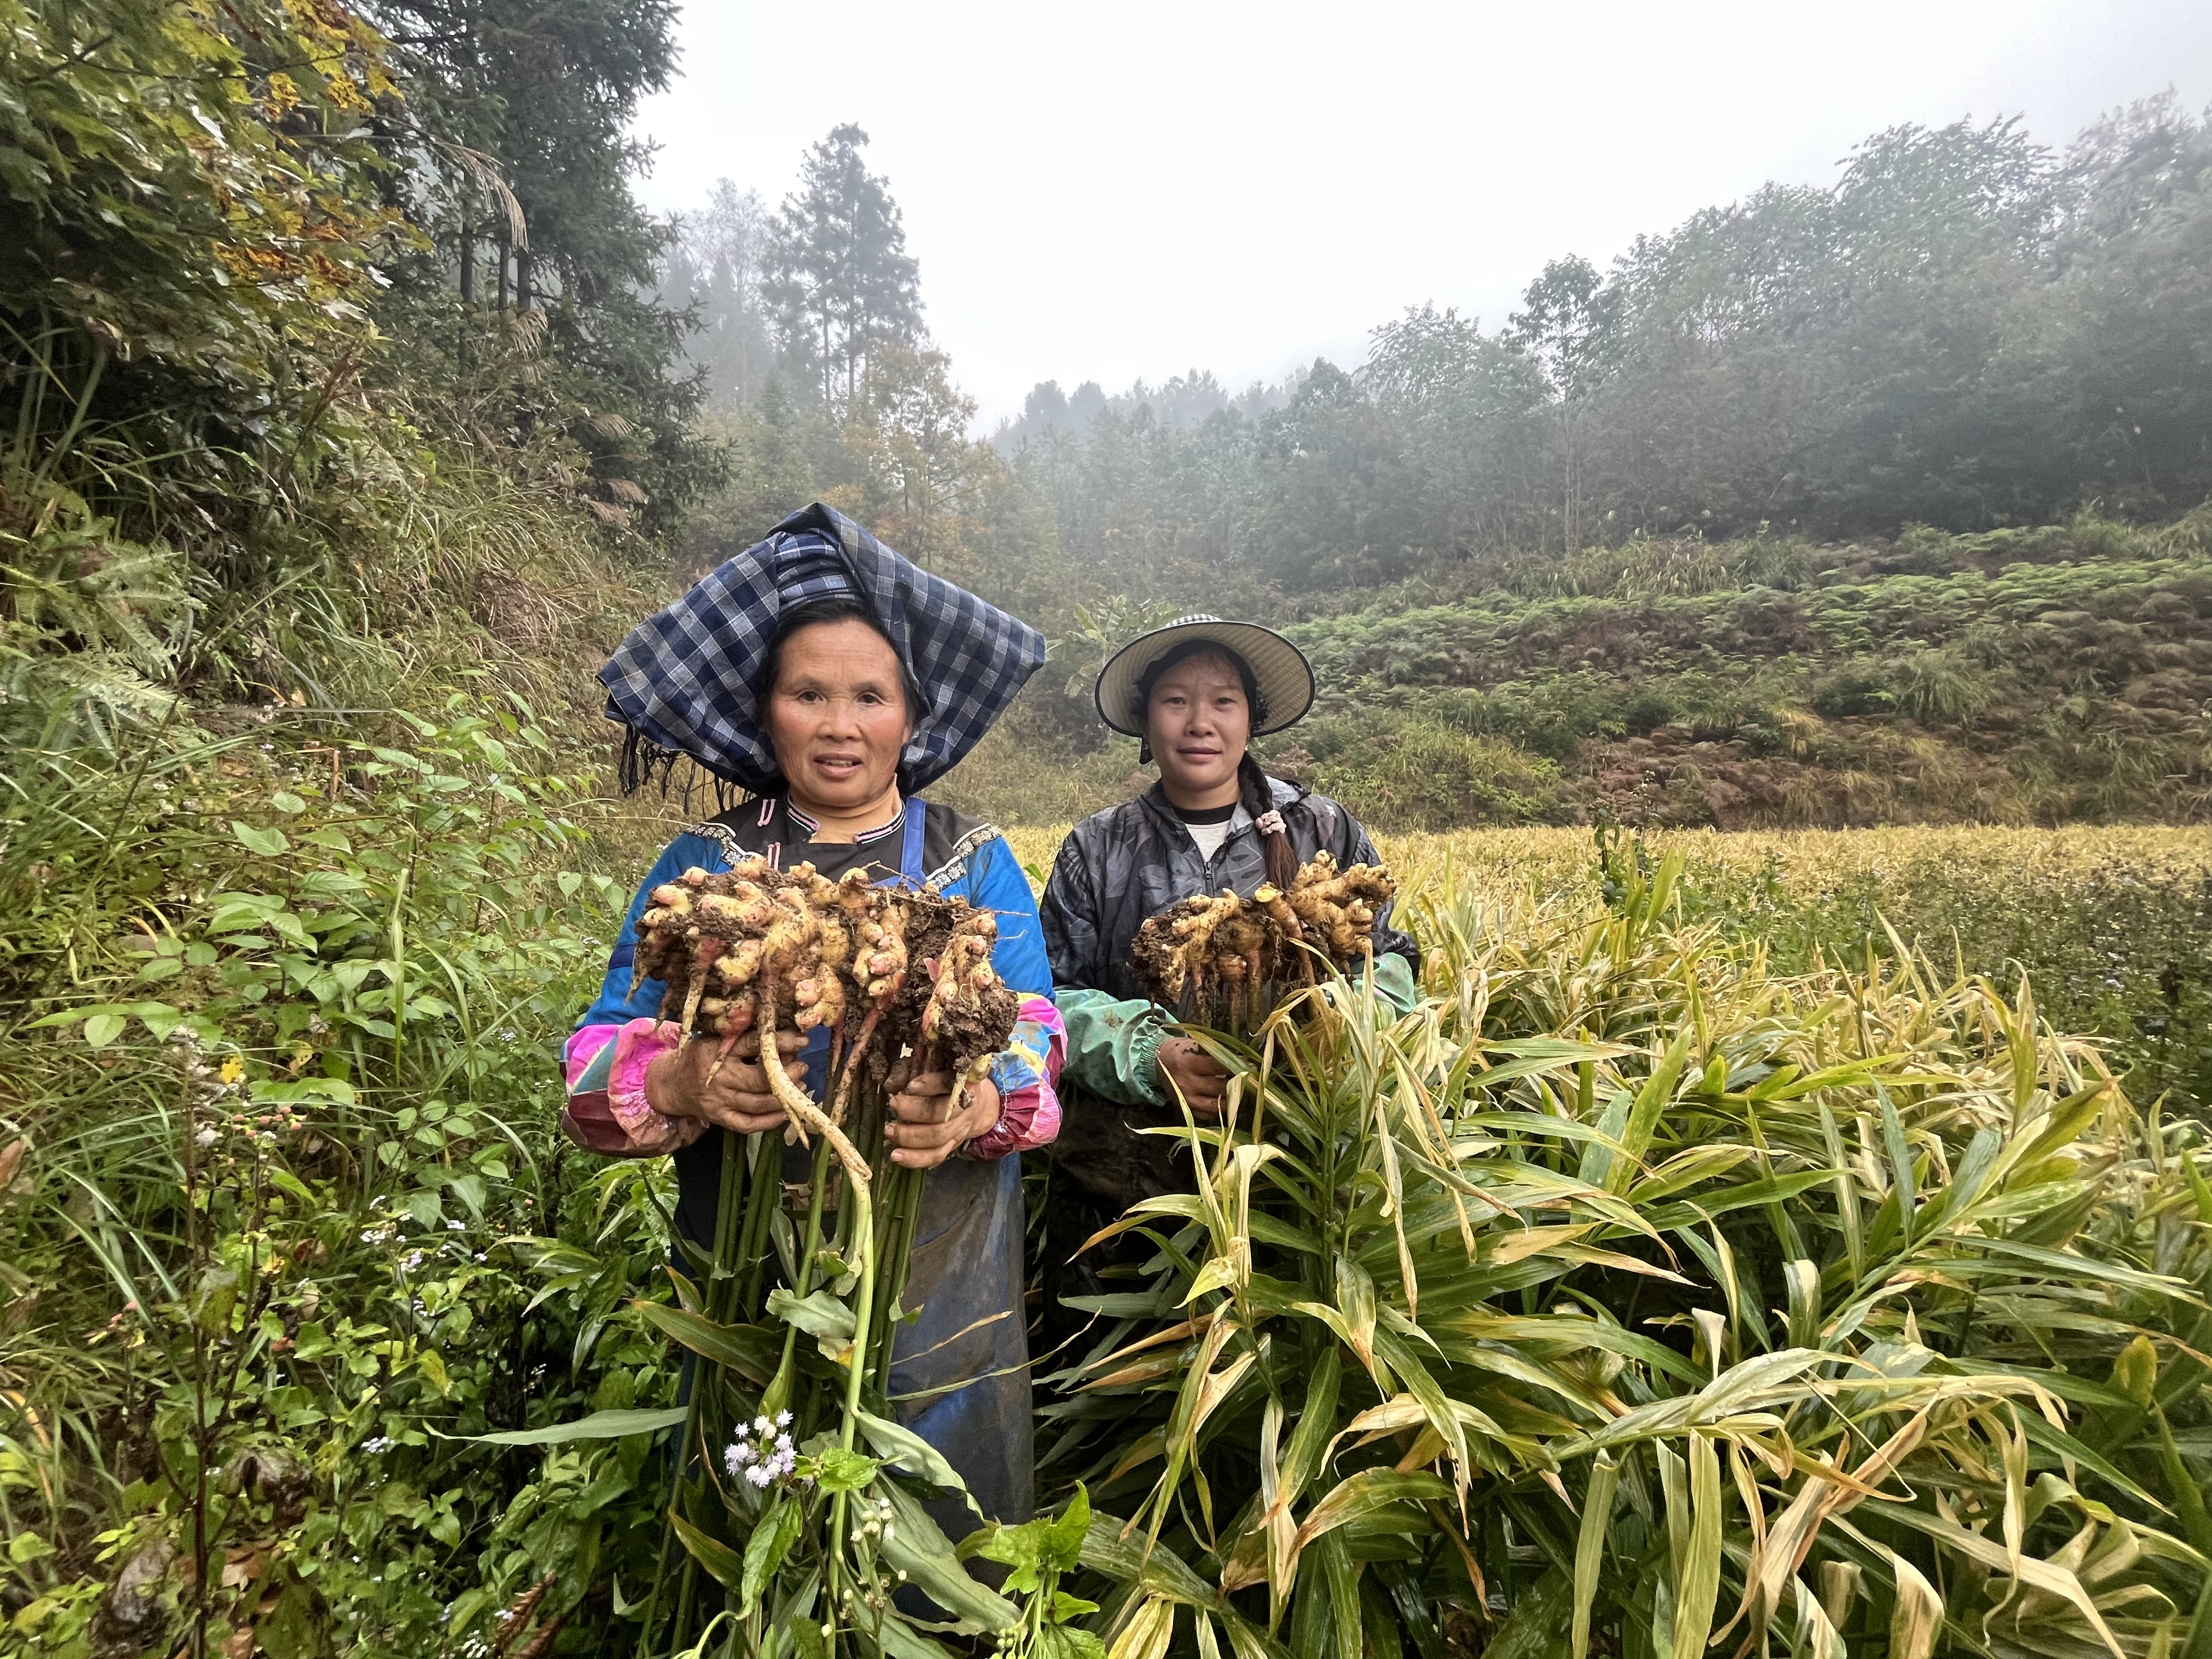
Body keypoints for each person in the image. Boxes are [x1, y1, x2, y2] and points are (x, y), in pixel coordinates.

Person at [562, 503, 1064, 1527]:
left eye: (870, 696)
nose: (840, 725)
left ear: (911, 720)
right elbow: (597, 1052)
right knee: (759, 1507)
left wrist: (978, 1104)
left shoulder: (972, 861)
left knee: (940, 1519)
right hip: (747, 1268)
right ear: (769, 713)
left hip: (940, 1273)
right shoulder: (705, 866)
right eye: (808, 695)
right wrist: (677, 1081)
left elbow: (1035, 1033)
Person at [1037, 614, 1417, 1345]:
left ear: (1252, 718)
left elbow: (1391, 962)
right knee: (1105, 1372)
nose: (1200, 722)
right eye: (1176, 700)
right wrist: (1147, 1053)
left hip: (1294, 1170)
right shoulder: (1098, 846)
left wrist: (1331, 1026)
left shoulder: (1323, 830)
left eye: (1223, 701)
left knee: (1276, 1357)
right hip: (1120, 1188)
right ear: (1146, 720)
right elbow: (1049, 997)